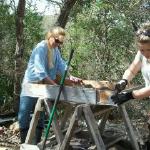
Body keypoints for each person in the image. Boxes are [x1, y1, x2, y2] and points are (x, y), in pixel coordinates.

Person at [18, 26, 82, 144]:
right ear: (50, 36)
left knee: (41, 115)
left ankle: (37, 143)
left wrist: (70, 76)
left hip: (43, 86)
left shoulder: (55, 50)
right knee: (24, 115)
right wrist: (54, 85)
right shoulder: (41, 48)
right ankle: (24, 144)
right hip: (31, 85)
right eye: (57, 41)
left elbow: (61, 66)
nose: (58, 44)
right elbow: (40, 71)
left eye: (61, 42)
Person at [111, 21, 150, 105]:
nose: (146, 53)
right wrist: (124, 80)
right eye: (142, 50)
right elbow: (132, 71)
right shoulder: (141, 55)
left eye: (149, 50)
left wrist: (129, 95)